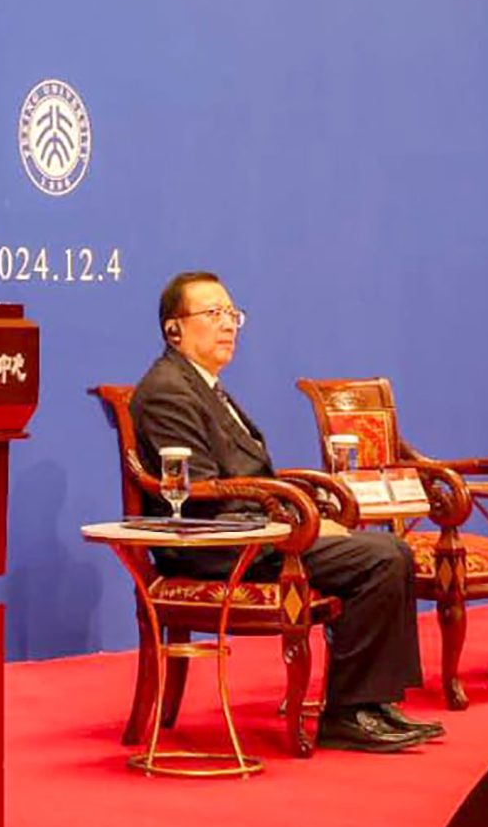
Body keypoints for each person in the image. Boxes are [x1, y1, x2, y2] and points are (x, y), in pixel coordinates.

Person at [130, 272, 443, 753]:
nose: (228, 324)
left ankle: (372, 704)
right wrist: (292, 522)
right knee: (380, 558)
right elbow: (199, 493)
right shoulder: (168, 390)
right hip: (218, 546)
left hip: (256, 532)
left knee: (387, 549)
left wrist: (302, 515)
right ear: (174, 329)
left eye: (232, 314)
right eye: (212, 313)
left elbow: (241, 480)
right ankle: (350, 714)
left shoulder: (204, 386)